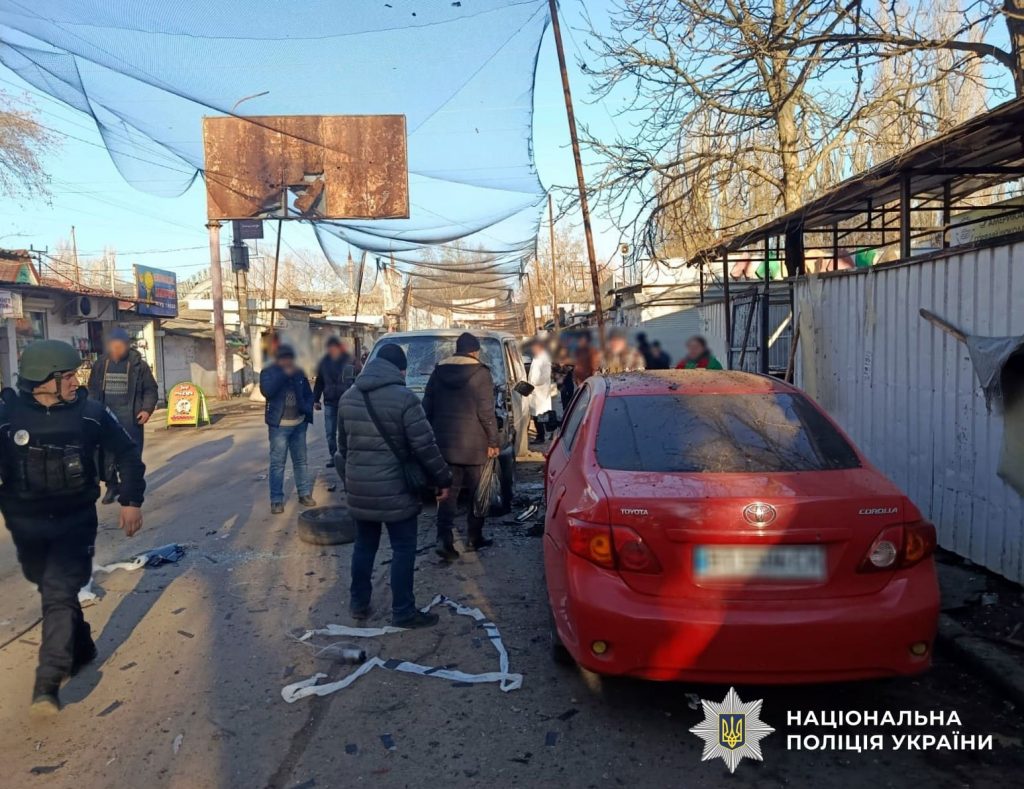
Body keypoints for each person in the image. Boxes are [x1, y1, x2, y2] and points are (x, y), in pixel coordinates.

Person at [0, 340, 145, 716]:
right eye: (66, 376)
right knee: (53, 590)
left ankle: (47, 683)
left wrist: (131, 500)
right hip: (28, 522)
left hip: (75, 518)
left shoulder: (90, 413)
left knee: (59, 591)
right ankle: (82, 646)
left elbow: (127, 452)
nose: (75, 382)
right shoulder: (8, 416)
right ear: (42, 381)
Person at [336, 344, 452, 628]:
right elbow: (425, 446)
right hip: (397, 491)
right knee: (403, 548)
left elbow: (342, 448)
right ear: (401, 370)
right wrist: (443, 479)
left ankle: (358, 604)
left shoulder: (348, 397)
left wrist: (353, 480)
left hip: (360, 490)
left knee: (364, 546)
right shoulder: (405, 399)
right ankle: (403, 611)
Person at [422, 332, 500, 561]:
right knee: (477, 493)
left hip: (444, 446)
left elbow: (426, 408)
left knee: (447, 493)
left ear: (457, 350)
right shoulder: (481, 373)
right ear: (475, 351)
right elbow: (486, 412)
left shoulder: (438, 371)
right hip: (474, 446)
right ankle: (474, 537)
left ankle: (443, 539)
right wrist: (493, 441)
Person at [86, 327, 157, 504]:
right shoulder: (101, 364)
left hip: (130, 417)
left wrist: (146, 410)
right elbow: (92, 389)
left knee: (130, 454)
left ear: (127, 345)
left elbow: (151, 389)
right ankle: (112, 486)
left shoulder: (138, 365)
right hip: (106, 416)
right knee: (106, 454)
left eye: (120, 346)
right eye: (114, 346)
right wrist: (92, 411)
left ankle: (129, 490)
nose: (117, 350)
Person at [259, 344, 316, 514]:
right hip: (279, 426)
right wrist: (284, 374)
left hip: (299, 424)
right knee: (278, 464)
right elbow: (267, 391)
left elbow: (308, 393)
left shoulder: (298, 372)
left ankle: (304, 494)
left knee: (301, 461)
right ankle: (276, 500)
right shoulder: (268, 372)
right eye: (284, 359)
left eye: (290, 358)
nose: (288, 362)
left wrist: (308, 407)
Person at [312, 337, 355, 468]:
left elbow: (356, 379)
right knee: (330, 432)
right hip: (330, 402)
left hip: (346, 401)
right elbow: (319, 382)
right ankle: (334, 456)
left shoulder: (348, 361)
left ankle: (346, 456)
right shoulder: (324, 363)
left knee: (346, 431)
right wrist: (316, 400)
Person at [527, 337, 554, 443]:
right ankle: (540, 435)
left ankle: (541, 436)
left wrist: (534, 383)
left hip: (540, 391)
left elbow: (545, 376)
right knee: (536, 415)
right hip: (535, 392)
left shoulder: (544, 358)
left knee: (540, 416)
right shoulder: (536, 358)